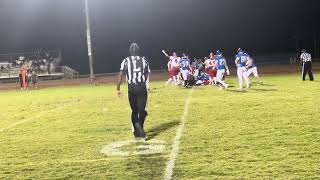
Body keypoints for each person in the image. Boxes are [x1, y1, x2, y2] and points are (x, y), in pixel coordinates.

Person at [117, 43, 150, 139]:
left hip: (131, 88)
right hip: (141, 87)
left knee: (134, 111)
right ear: (138, 51)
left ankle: (137, 129)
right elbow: (147, 74)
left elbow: (120, 75)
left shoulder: (125, 61)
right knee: (142, 111)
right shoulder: (144, 60)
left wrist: (118, 88)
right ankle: (139, 128)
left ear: (130, 51)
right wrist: (142, 81)